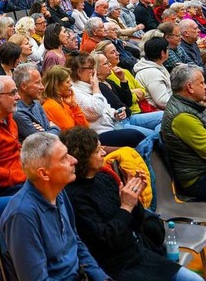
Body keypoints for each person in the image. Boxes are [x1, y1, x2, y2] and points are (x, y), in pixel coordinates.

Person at [61, 127, 196, 281]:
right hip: (117, 268)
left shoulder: (105, 178)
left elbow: (137, 223)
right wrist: (126, 206)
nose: (104, 153)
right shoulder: (73, 197)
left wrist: (134, 197)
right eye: (98, 151)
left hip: (138, 253)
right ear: (84, 156)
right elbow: (106, 242)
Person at [0, 132, 109, 281]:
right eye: (64, 158)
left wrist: (101, 278)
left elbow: (75, 243)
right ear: (44, 174)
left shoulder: (59, 192)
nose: (74, 160)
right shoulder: (22, 216)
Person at [67, 51, 146, 149]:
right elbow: (97, 111)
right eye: (91, 68)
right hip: (98, 134)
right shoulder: (75, 92)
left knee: (156, 129)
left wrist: (115, 114)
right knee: (138, 136)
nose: (94, 71)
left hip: (114, 124)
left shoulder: (91, 85)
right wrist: (96, 87)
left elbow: (107, 106)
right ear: (79, 72)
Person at [161, 64, 206, 200]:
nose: (205, 86)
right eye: (202, 83)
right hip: (197, 179)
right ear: (189, 87)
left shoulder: (189, 104)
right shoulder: (182, 117)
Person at [12, 63, 61, 142]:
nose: (42, 87)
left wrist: (47, 131)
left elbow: (46, 134)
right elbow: (43, 142)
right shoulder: (17, 112)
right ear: (23, 86)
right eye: (37, 83)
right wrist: (55, 128)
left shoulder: (36, 103)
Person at [133, 37, 172, 110]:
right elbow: (163, 102)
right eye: (168, 49)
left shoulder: (157, 65)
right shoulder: (151, 73)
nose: (169, 51)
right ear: (162, 53)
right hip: (157, 112)